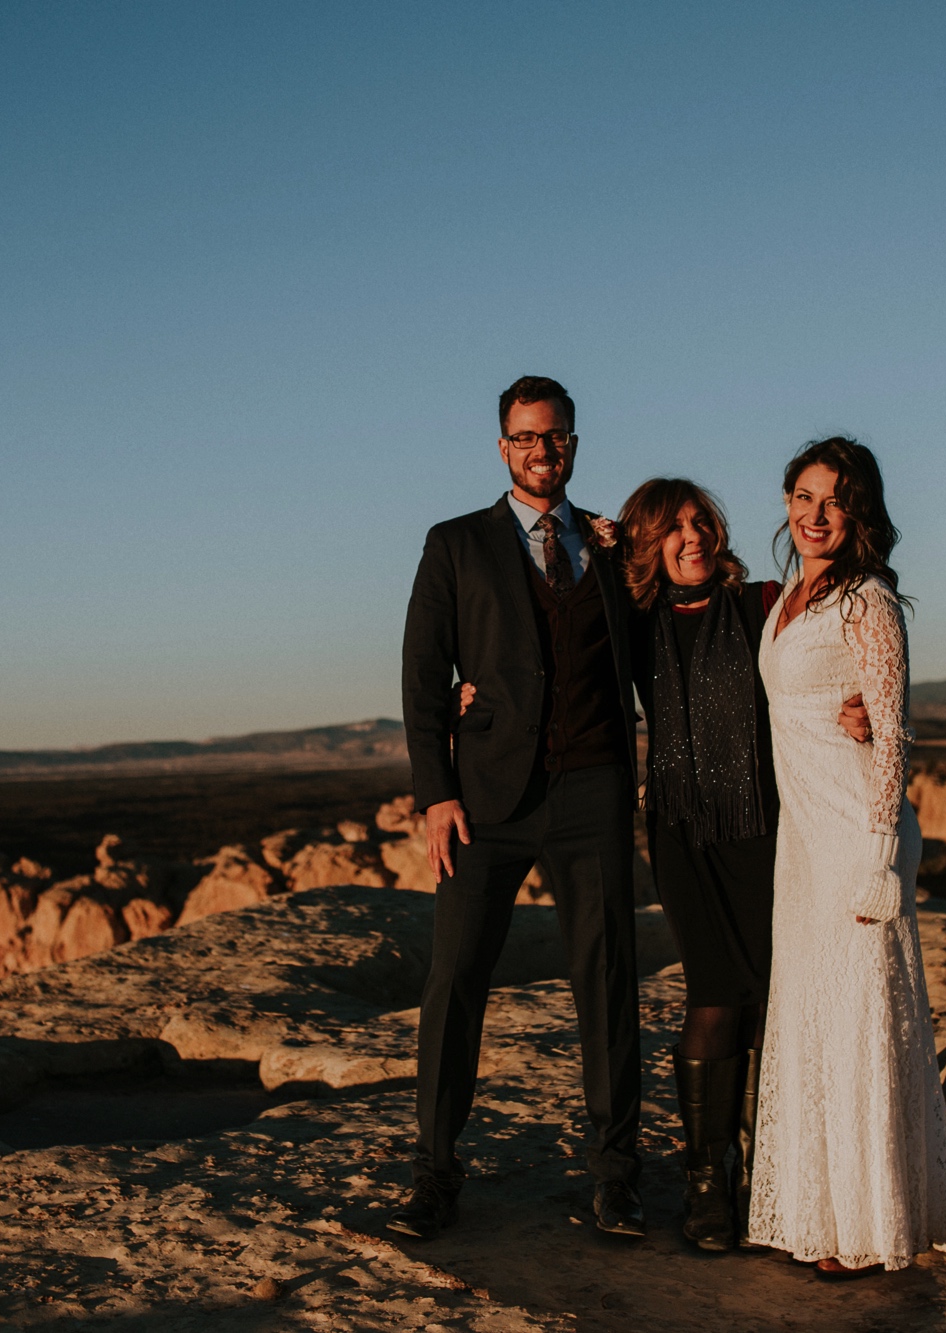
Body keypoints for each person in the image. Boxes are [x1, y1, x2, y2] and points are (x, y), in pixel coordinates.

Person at [393, 375, 646, 1241]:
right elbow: (424, 675)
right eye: (529, 437)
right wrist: (436, 792)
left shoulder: (612, 546)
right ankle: (434, 1172)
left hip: (594, 789)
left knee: (606, 981)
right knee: (455, 978)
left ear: (575, 443)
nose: (545, 451)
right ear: (503, 446)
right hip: (487, 801)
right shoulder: (455, 544)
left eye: (559, 437)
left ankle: (616, 1176)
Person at [616, 477, 870, 1253]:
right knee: (714, 996)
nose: (693, 536)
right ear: (647, 545)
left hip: (769, 828)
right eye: (672, 529)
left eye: (701, 521)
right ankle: (707, 1183)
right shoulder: (631, 622)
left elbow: (833, 655)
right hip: (685, 833)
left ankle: (776, 1174)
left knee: (779, 999)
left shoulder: (766, 602)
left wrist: (861, 702)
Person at [746, 437, 946, 1275]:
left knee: (859, 1018)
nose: (815, 513)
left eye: (834, 500)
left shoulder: (867, 600)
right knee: (811, 1014)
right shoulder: (790, 597)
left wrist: (879, 853)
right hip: (802, 837)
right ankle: (819, 1209)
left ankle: (868, 1222)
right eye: (803, 496)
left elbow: (891, 737)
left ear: (861, 513)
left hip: (854, 830)